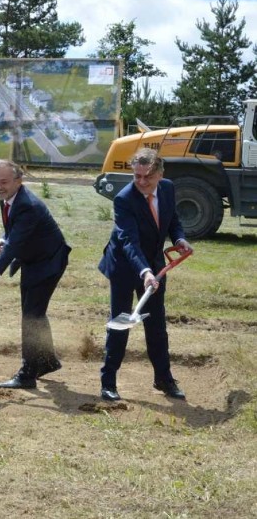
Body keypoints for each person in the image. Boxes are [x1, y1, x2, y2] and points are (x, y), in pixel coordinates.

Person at [98, 148, 193, 401]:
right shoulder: (124, 199)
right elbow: (129, 241)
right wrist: (145, 272)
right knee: (120, 323)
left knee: (156, 325)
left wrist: (179, 238)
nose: (141, 182)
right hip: (124, 267)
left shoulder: (168, 188)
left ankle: (163, 379)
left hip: (153, 265)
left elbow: (172, 219)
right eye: (136, 176)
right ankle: (108, 382)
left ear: (160, 174)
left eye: (147, 177)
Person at [0, 159, 71, 389]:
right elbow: (13, 229)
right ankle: (47, 361)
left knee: (31, 316)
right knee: (34, 313)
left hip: (48, 262)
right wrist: (2, 238)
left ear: (18, 181)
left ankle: (28, 374)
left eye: (4, 182)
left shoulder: (28, 204)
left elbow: (14, 246)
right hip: (33, 259)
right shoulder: (9, 199)